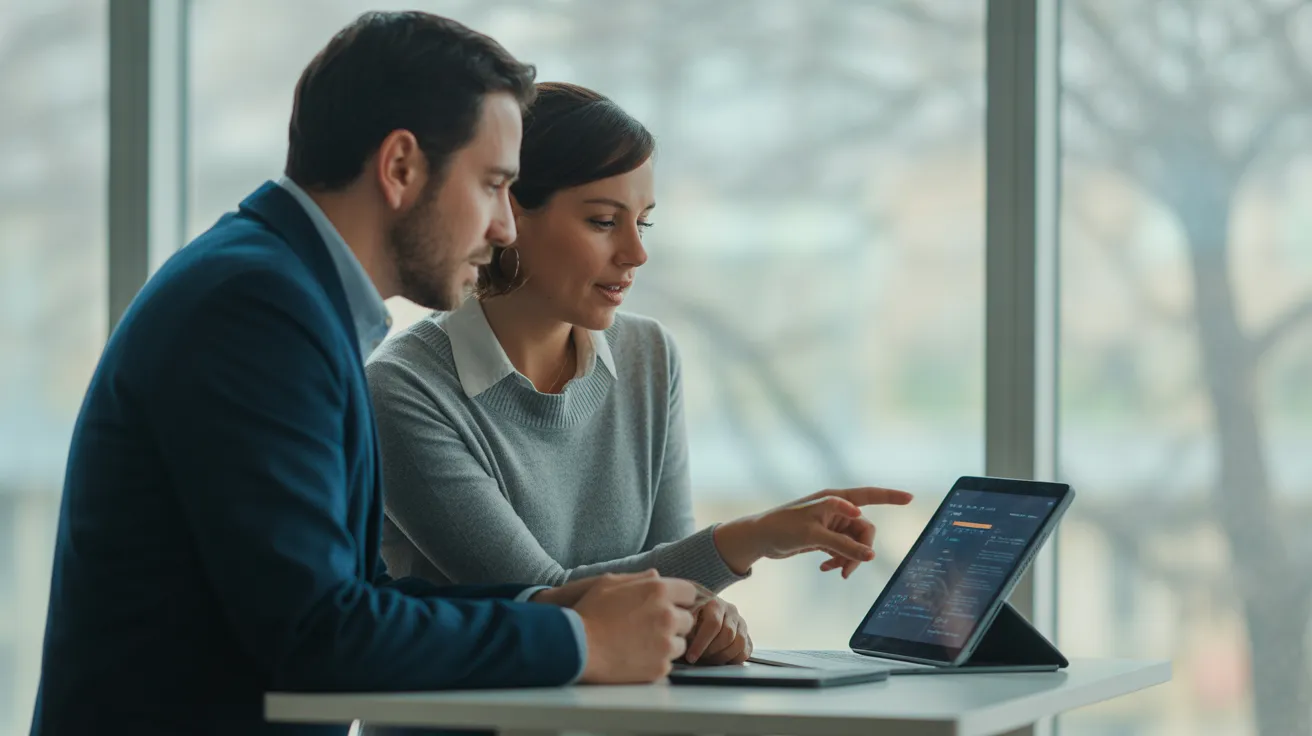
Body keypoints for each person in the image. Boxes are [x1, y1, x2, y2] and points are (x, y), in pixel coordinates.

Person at [31, 14, 700, 736]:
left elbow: (357, 596)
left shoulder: (286, 293)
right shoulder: (256, 310)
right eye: (492, 185)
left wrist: (563, 609)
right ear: (401, 167)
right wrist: (583, 642)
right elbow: (318, 635)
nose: (505, 227)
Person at [365, 82, 915, 668]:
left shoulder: (650, 355)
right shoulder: (403, 388)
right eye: (604, 221)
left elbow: (670, 571)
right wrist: (752, 536)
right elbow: (547, 597)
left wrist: (708, 610)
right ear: (510, 211)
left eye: (643, 224)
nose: (635, 253)